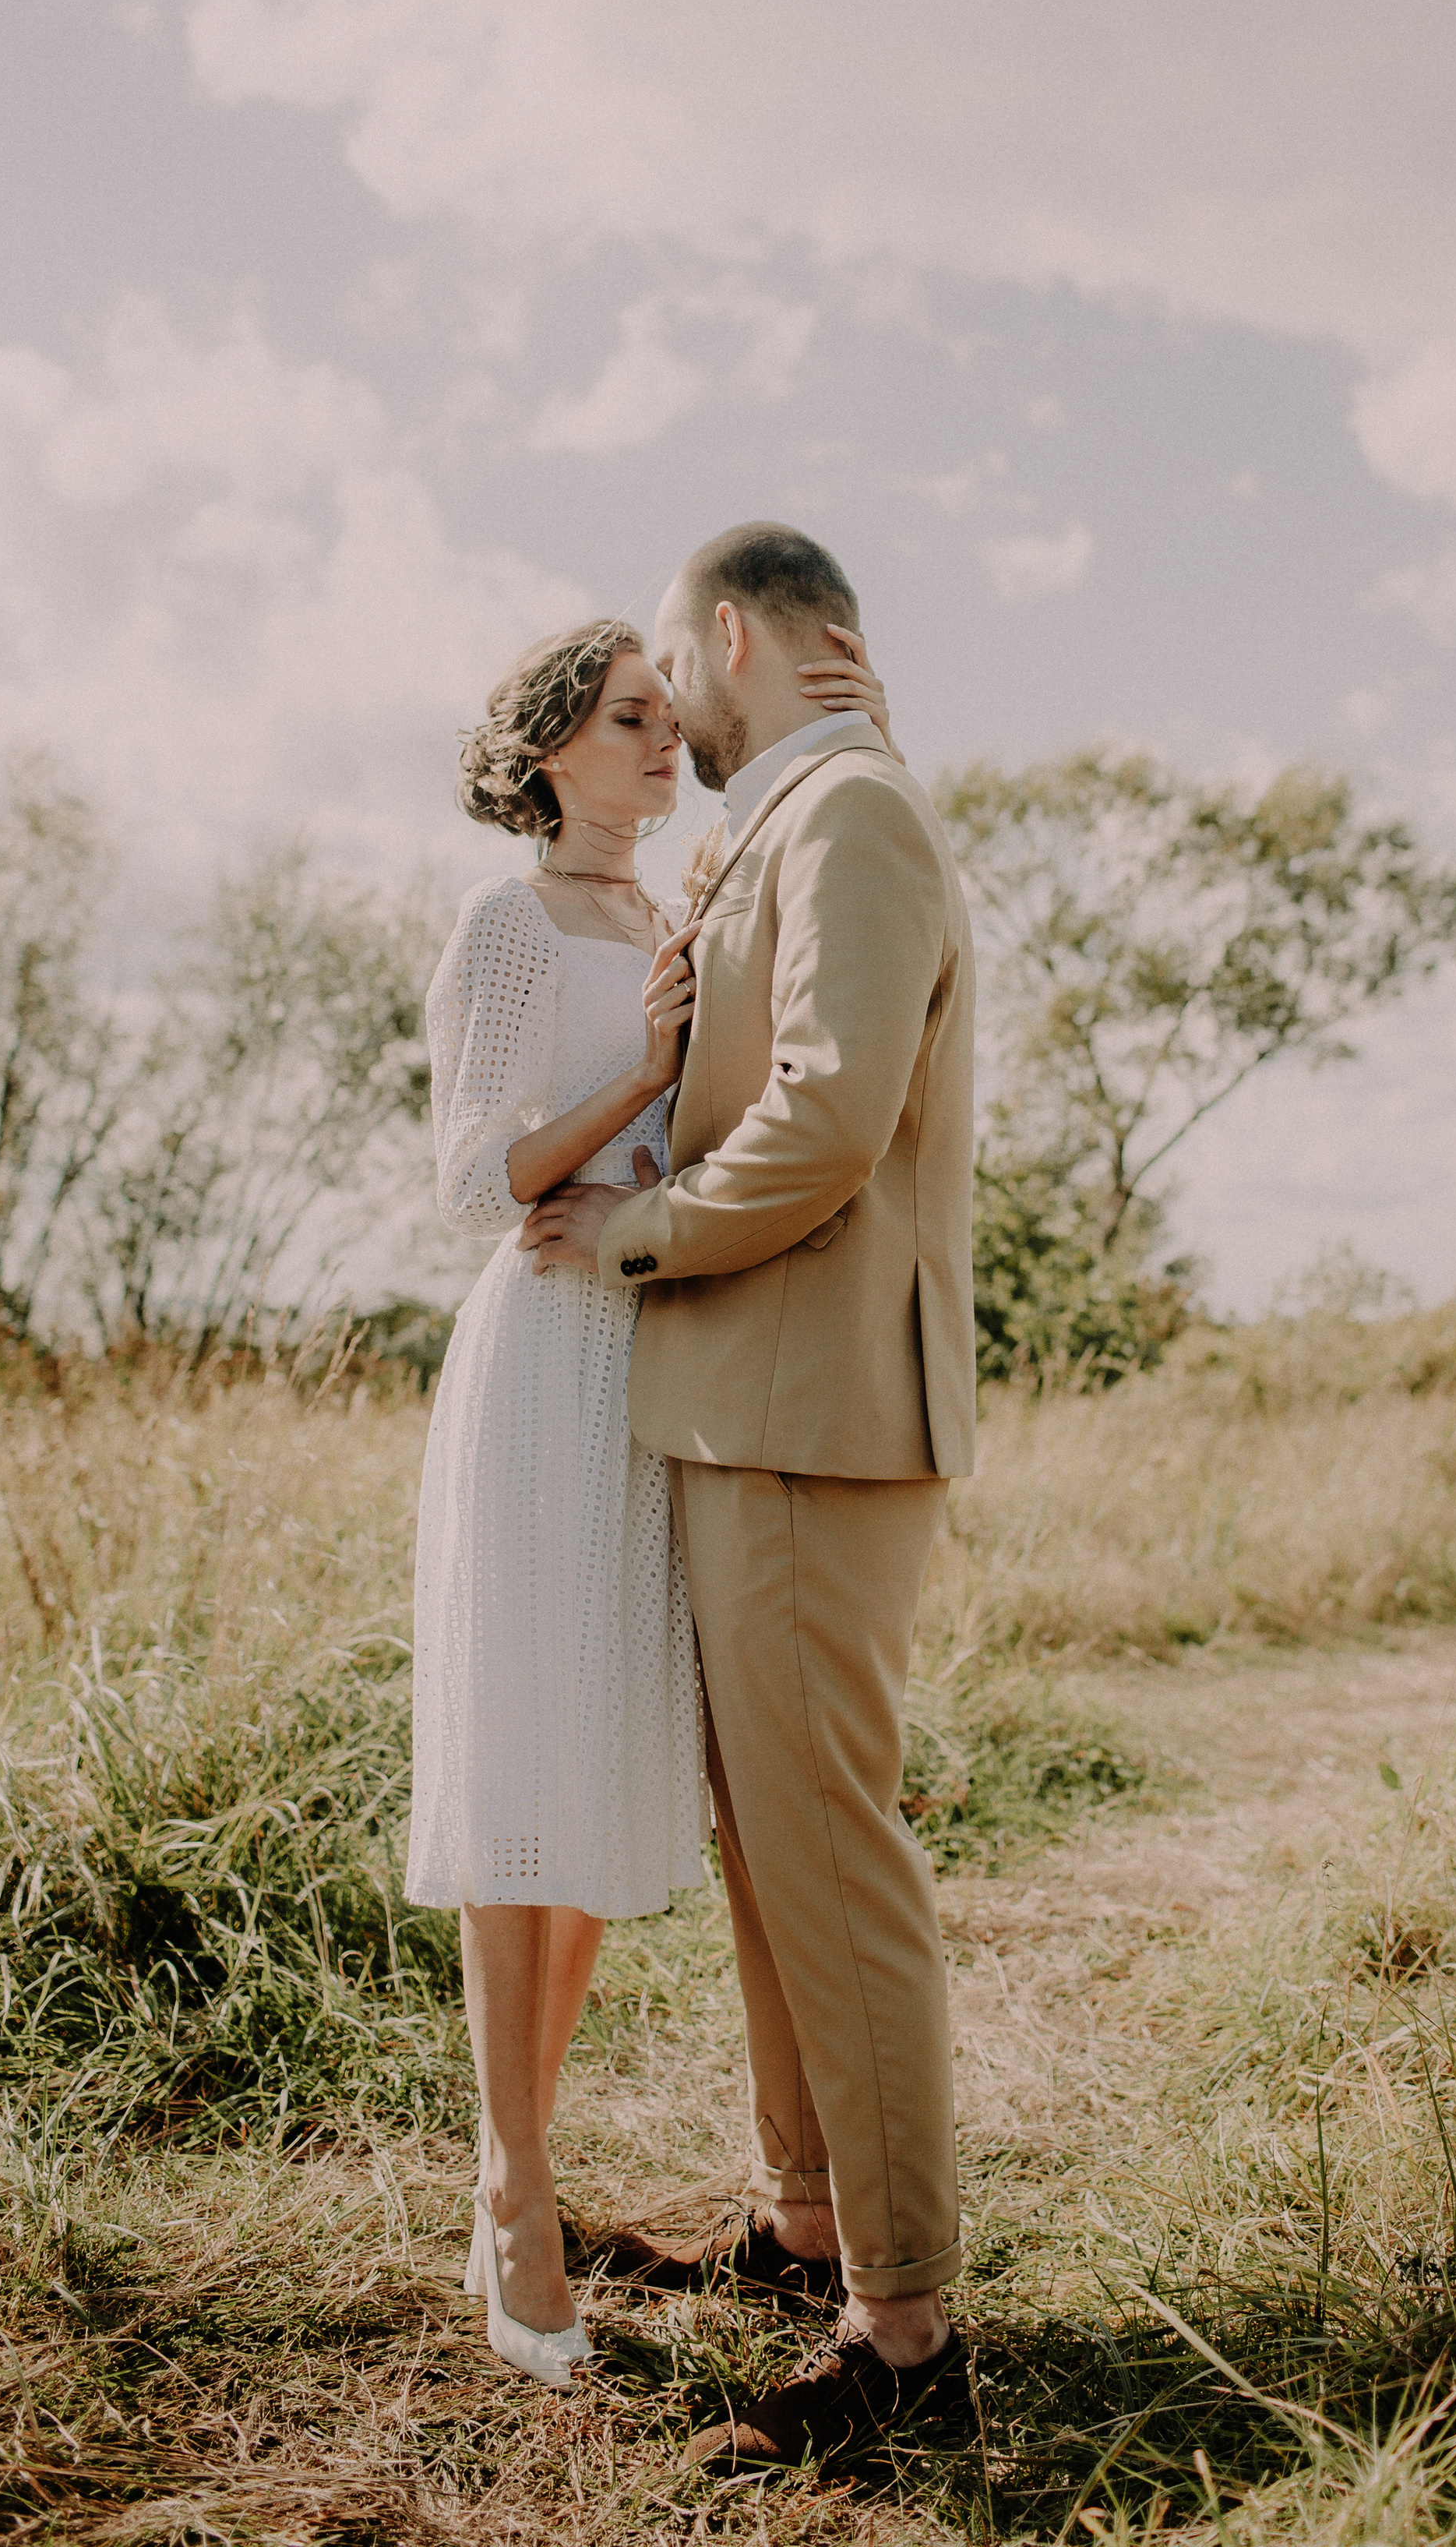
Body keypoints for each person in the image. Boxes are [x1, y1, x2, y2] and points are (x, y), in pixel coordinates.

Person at [522, 520, 978, 2471]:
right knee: (770, 1852)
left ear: (730, 638)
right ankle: (806, 2229)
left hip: (803, 1411)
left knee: (831, 1859)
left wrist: (632, 1238)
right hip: (754, 1409)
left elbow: (827, 1113)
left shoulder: (850, 816)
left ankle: (903, 2345)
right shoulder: (799, 819)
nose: (668, 714)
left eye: (670, 677)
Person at [405, 608, 890, 2386]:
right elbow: (478, 1173)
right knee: (522, 1779)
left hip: (654, 1366)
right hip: (542, 1352)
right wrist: (639, 1061)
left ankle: (512, 2174)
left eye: (662, 716)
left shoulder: (673, 903)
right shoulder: (507, 919)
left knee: (602, 1785)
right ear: (548, 751)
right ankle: (513, 2197)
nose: (659, 741)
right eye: (626, 721)